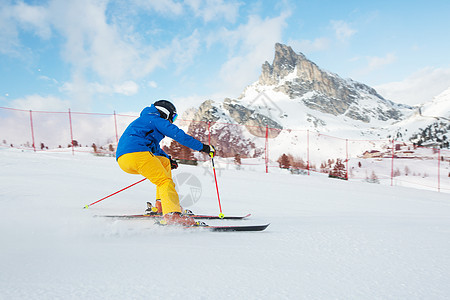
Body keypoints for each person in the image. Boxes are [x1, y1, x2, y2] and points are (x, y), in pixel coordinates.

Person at [116, 100, 215, 226]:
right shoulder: (157, 120)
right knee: (164, 181)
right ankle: (173, 214)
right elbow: (180, 136)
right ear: (166, 113)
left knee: (164, 163)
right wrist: (203, 147)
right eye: (173, 116)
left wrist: (167, 158)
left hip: (124, 159)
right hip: (138, 154)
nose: (172, 120)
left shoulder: (145, 121)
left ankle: (161, 205)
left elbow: (153, 147)